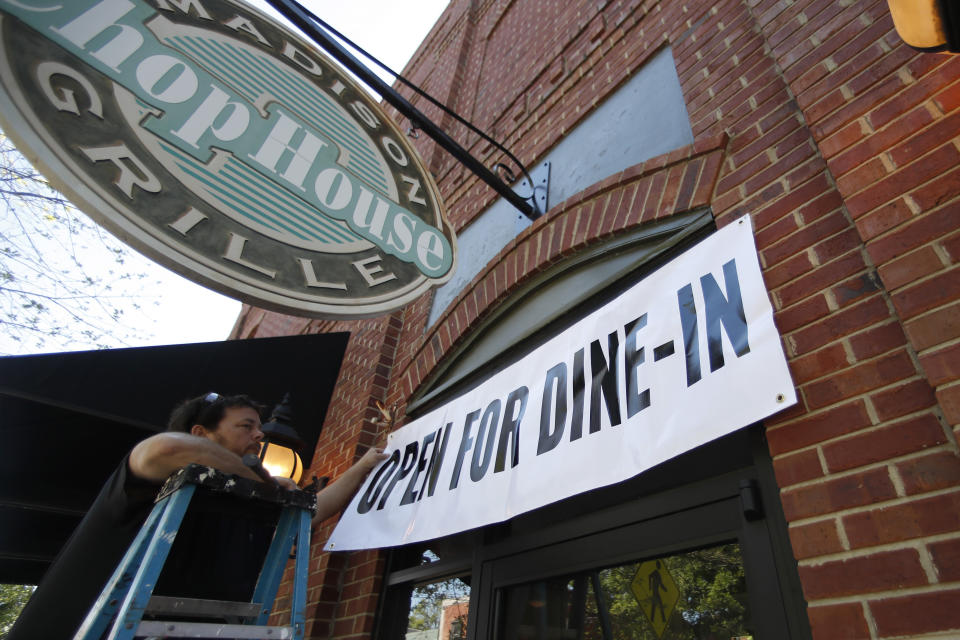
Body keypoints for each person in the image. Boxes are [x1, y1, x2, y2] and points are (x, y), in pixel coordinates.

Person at [8, 392, 388, 640]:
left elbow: (312, 511)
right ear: (201, 431)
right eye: (246, 426)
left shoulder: (244, 498)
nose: (259, 436)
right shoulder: (154, 475)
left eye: (258, 427)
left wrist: (368, 463)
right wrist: (265, 481)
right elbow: (169, 446)